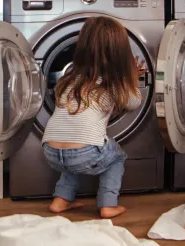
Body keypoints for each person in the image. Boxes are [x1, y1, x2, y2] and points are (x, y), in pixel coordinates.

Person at [41, 16, 146, 219]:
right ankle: (108, 204)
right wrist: (131, 78)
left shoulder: (70, 78)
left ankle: (60, 200)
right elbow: (134, 103)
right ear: (120, 53)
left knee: (74, 146)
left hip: (50, 151)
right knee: (117, 156)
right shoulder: (113, 83)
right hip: (85, 153)